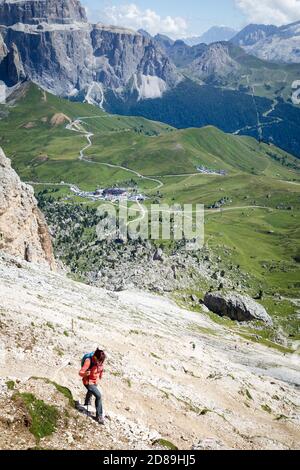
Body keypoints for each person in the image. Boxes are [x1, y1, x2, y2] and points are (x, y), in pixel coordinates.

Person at [79, 348, 106, 424]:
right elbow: (80, 372)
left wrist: (100, 375)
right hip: (88, 381)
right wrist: (85, 374)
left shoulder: (99, 360)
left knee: (91, 392)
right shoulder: (88, 361)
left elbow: (100, 368)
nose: (100, 362)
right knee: (99, 396)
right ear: (95, 357)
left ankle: (86, 403)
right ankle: (99, 416)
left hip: (94, 380)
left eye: (101, 361)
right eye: (99, 361)